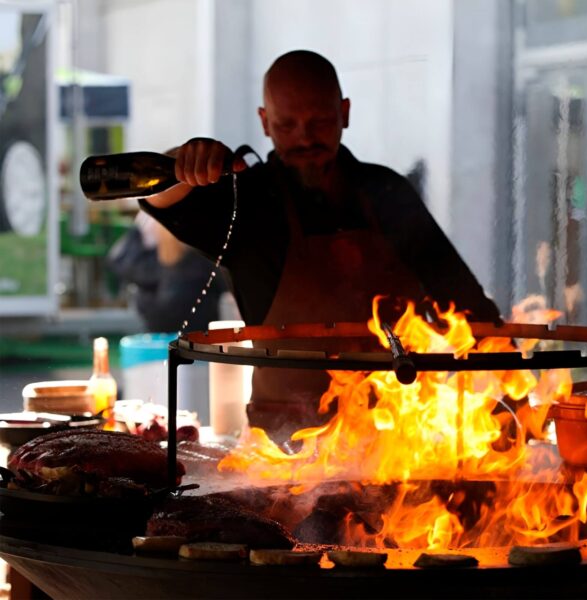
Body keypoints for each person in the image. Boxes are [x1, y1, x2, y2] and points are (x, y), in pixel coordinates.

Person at [140, 50, 501, 441]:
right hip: (283, 449)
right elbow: (158, 197)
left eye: (320, 122)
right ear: (265, 122)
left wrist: (511, 397)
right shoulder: (249, 201)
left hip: (395, 439)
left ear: (344, 113)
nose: (305, 137)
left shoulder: (387, 192)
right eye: (287, 124)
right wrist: (181, 162)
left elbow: (468, 304)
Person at [108, 211, 227, 333]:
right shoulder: (205, 264)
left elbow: (119, 260)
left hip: (181, 338)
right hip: (192, 340)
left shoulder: (195, 268)